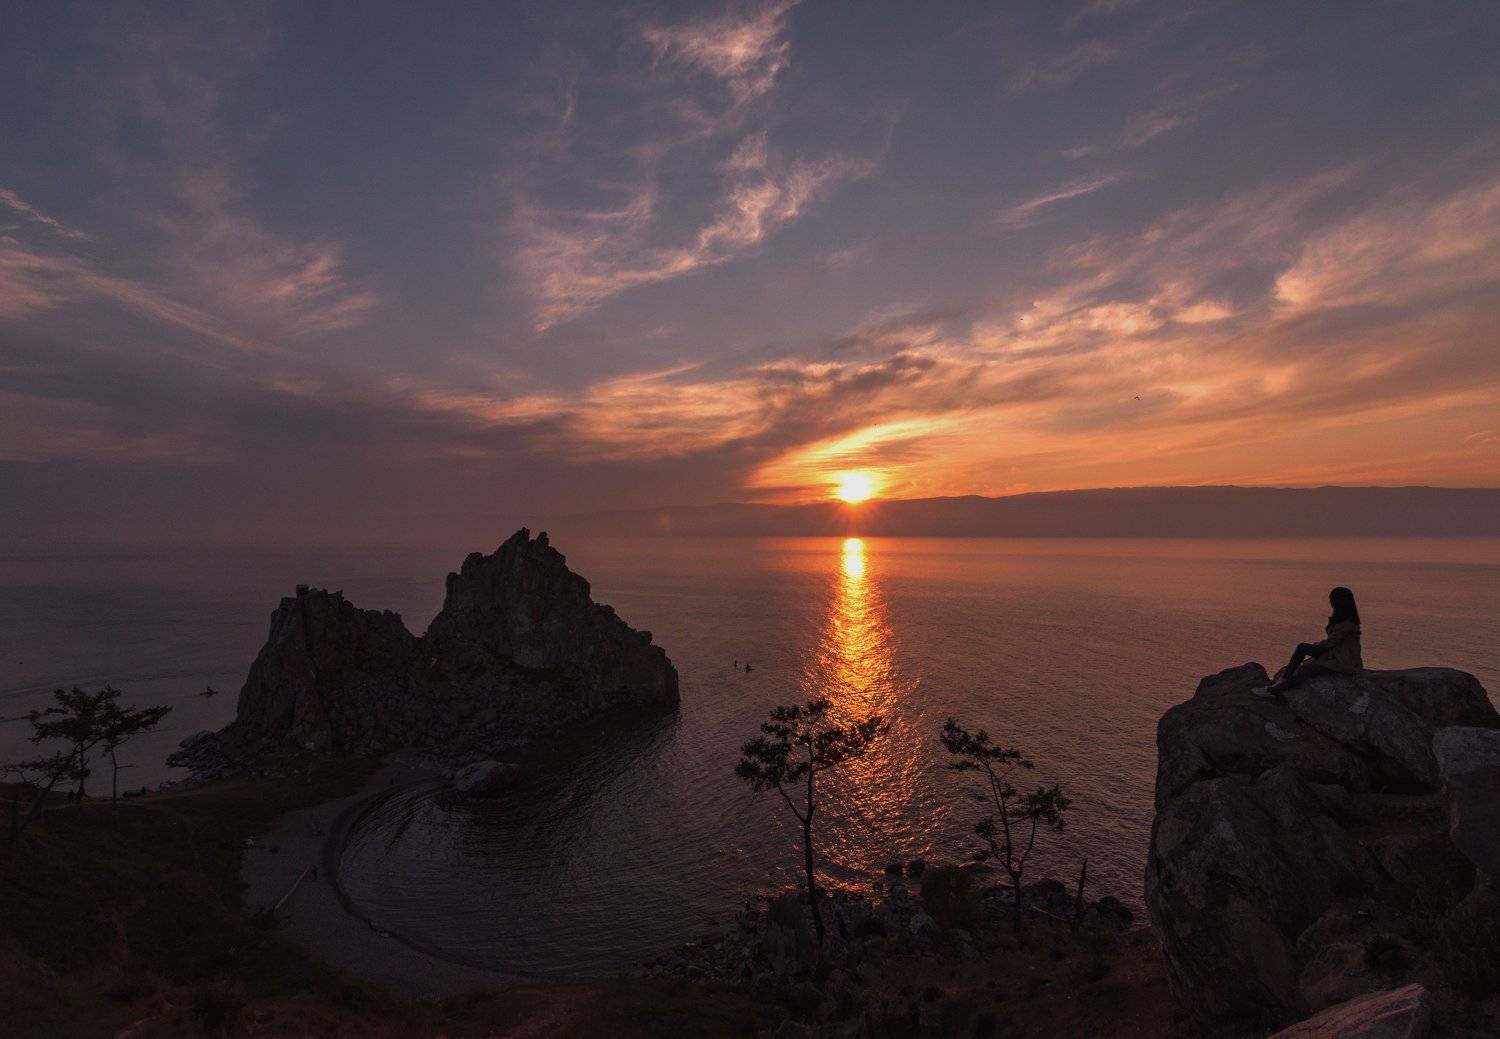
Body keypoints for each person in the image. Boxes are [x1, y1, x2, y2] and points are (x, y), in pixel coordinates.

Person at [1255, 586, 1363, 699]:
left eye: (1333, 600)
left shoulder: (1349, 625)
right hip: (1335, 654)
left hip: (1343, 661)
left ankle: (1274, 691)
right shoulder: (1342, 620)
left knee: (1306, 669)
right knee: (1302, 648)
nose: (1331, 603)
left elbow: (1330, 643)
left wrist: (1316, 646)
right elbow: (1331, 643)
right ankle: (1283, 680)